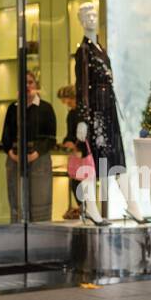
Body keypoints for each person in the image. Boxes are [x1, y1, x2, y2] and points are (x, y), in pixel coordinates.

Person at [0, 70, 57, 223]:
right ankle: (17, 240)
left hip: (39, 160)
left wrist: (36, 153)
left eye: (30, 82)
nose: (27, 86)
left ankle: (40, 240)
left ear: (36, 85)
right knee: (16, 204)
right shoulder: (13, 108)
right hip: (15, 161)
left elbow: (51, 139)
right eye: (23, 83)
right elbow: (5, 137)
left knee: (40, 205)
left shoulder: (46, 108)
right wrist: (12, 154)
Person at [57, 85, 83, 220]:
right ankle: (82, 208)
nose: (66, 103)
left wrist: (75, 143)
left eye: (67, 100)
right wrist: (67, 142)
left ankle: (84, 208)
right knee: (75, 182)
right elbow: (70, 134)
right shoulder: (71, 114)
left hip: (83, 154)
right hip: (76, 154)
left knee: (79, 182)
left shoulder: (82, 113)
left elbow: (83, 135)